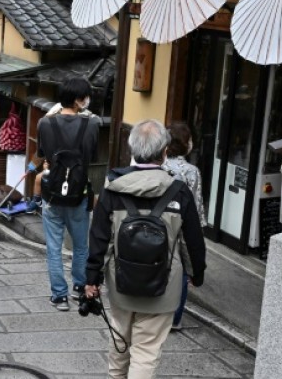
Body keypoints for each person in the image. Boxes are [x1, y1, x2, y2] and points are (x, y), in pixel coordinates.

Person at [85, 120, 207, 379]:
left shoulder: (113, 190)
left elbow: (99, 238)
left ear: (132, 149)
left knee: (119, 341)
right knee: (146, 352)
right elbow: (192, 240)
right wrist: (197, 273)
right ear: (164, 152)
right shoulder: (179, 192)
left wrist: (91, 278)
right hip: (163, 286)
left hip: (121, 283)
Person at [36, 76, 102, 311]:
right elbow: (92, 157)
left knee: (53, 247)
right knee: (81, 246)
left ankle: (59, 296)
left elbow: (42, 153)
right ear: (77, 100)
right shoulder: (93, 124)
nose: (87, 100)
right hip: (79, 193)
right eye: (85, 97)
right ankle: (80, 287)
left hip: (52, 193)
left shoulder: (45, 123)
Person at [162, 122, 206, 331]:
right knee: (180, 272)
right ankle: (174, 318)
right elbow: (195, 207)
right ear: (186, 143)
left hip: (158, 224)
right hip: (181, 227)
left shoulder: (158, 165)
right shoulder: (191, 171)